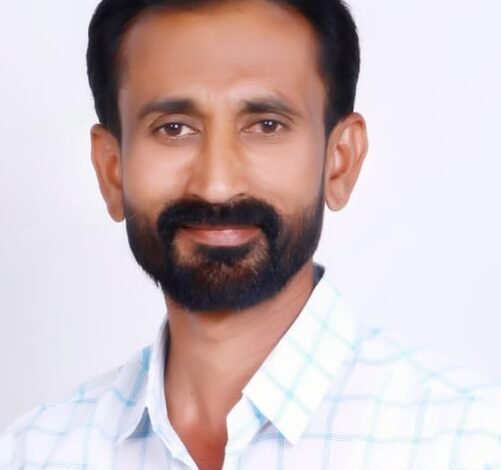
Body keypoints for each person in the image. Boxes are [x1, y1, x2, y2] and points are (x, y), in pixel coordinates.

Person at [1, 0, 500, 468]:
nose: (217, 185)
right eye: (174, 128)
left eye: (266, 125)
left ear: (339, 162)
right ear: (112, 171)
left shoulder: (468, 444)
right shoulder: (35, 452)